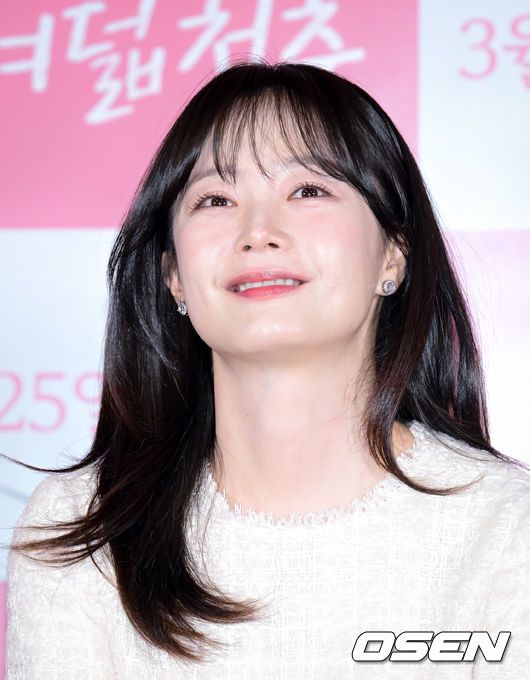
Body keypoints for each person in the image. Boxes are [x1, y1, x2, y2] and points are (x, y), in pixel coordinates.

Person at [2, 60, 530, 679]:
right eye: (216, 199)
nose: (258, 232)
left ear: (393, 253)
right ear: (174, 275)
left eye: (308, 191)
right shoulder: (80, 532)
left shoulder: (504, 528)